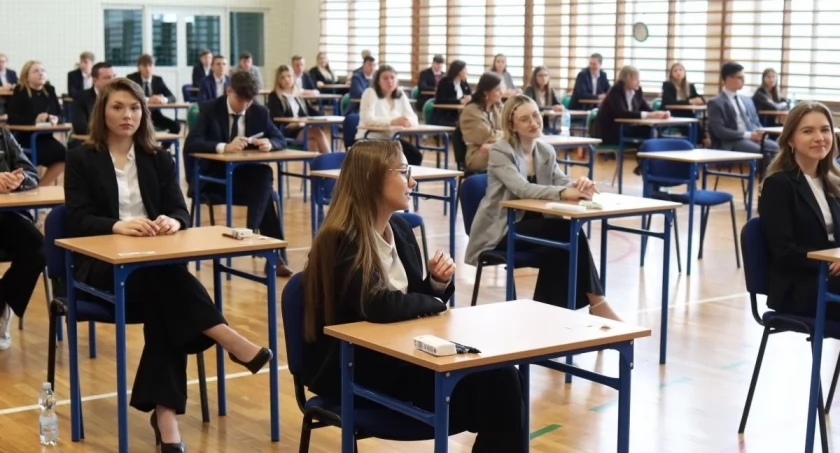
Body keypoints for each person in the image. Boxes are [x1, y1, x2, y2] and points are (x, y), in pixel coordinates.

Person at [64, 77, 273, 452]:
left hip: (153, 265)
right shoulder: (81, 158)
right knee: (171, 286)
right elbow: (77, 219)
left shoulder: (158, 157)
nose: (127, 115)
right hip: (101, 268)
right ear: (102, 112)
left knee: (167, 302)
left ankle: (166, 417)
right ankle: (225, 336)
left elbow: (179, 209)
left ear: (143, 113)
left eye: (134, 108)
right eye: (117, 107)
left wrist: (173, 222)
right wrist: (117, 225)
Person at [302, 139, 526, 453]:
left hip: (404, 356)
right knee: (500, 390)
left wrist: (435, 283)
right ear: (371, 178)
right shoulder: (341, 237)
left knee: (505, 379)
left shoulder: (400, 228)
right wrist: (433, 302)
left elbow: (408, 299)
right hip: (361, 370)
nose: (412, 182)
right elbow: (376, 304)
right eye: (404, 172)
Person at [465, 94, 621, 321]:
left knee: (562, 245)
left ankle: (547, 318)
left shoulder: (545, 151)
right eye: (525, 119)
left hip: (535, 227)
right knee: (566, 233)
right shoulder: (501, 151)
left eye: (536, 115)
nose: (534, 122)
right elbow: (523, 189)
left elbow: (560, 181)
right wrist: (564, 192)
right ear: (512, 125)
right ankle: (597, 303)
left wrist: (579, 185)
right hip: (503, 230)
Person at [185, 70, 293, 277]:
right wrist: (223, 147)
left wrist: (270, 143)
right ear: (229, 91)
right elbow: (192, 143)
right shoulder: (209, 109)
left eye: (249, 101)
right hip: (213, 179)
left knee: (264, 175)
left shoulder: (259, 111)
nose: (244, 106)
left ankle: (252, 231)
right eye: (240, 100)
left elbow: (280, 139)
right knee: (264, 192)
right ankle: (274, 256)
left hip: (244, 180)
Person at [759, 101, 840, 321]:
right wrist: (828, 262)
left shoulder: (834, 181)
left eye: (825, 130)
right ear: (790, 140)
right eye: (808, 131)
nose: (819, 137)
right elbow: (784, 251)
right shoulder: (778, 185)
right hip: (800, 285)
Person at [0, 125, 45, 351]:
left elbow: (31, 173)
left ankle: (1, 305)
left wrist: (18, 180)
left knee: (39, 248)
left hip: (8, 216)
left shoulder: (3, 134)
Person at [7, 60, 66, 186]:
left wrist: (55, 119)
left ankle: (40, 186)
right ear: (27, 77)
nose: (41, 73)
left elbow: (61, 114)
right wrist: (34, 121)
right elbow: (12, 118)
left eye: (43, 70)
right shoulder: (20, 91)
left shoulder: (49, 90)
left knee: (66, 156)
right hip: (25, 138)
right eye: (36, 71)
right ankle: (34, 185)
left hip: (46, 137)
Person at [355, 64, 422, 165]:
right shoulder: (370, 93)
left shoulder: (400, 94)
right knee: (392, 160)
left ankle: (404, 176)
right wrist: (392, 121)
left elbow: (413, 117)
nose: (389, 81)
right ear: (378, 81)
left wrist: (407, 121)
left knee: (415, 155)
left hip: (391, 139)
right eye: (385, 78)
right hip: (370, 139)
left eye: (392, 78)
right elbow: (367, 119)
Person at [707, 61, 779, 154]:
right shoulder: (715, 102)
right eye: (740, 77)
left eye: (743, 77)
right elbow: (720, 131)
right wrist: (749, 135)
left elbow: (756, 122)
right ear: (728, 78)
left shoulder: (747, 100)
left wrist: (762, 133)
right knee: (762, 152)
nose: (743, 81)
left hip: (753, 138)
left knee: (779, 149)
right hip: (731, 142)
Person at [266, 65, 330, 154]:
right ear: (278, 80)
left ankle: (319, 163)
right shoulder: (274, 96)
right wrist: (298, 123)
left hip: (302, 128)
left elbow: (310, 111)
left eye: (289, 76)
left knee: (312, 142)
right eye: (282, 78)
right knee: (317, 133)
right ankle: (332, 160)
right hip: (286, 132)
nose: (286, 80)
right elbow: (278, 119)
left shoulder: (298, 95)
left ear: (293, 78)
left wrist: (323, 117)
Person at [459, 72, 504, 173]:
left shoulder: (497, 107)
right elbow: (487, 136)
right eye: (497, 90)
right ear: (486, 92)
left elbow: (512, 127)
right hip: (478, 154)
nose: (501, 93)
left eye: (501, 89)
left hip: (495, 148)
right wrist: (508, 135)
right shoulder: (471, 111)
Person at [126, 54, 180, 134]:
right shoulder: (132, 78)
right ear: (139, 67)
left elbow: (172, 97)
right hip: (137, 115)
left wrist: (163, 99)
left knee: (176, 126)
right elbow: (129, 96)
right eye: (144, 66)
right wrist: (148, 99)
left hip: (155, 116)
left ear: (154, 66)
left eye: (150, 65)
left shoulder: (158, 80)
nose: (147, 69)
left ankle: (163, 143)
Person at [661, 62, 705, 143]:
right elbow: (670, 102)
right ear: (671, 74)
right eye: (675, 71)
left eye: (680, 70)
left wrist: (700, 100)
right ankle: (699, 140)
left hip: (685, 112)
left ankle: (699, 140)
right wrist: (690, 101)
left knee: (694, 119)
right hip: (671, 112)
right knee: (690, 118)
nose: (678, 72)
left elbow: (698, 97)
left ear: (684, 72)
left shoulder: (690, 86)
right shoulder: (667, 85)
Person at [72, 62, 116, 135]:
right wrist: (108, 132)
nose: (113, 81)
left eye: (114, 76)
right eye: (107, 78)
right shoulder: (81, 97)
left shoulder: (119, 97)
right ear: (95, 80)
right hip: (91, 139)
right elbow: (80, 127)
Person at [430, 60, 471, 127]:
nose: (467, 72)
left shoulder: (464, 83)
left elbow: (469, 95)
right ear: (459, 71)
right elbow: (441, 100)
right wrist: (460, 101)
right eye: (465, 69)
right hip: (445, 115)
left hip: (460, 114)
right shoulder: (445, 82)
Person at [523, 66, 565, 131]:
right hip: (533, 120)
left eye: (545, 75)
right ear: (535, 77)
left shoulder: (550, 90)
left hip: (546, 120)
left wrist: (560, 107)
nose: (543, 78)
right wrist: (551, 108)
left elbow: (557, 103)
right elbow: (530, 106)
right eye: (540, 76)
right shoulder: (529, 89)